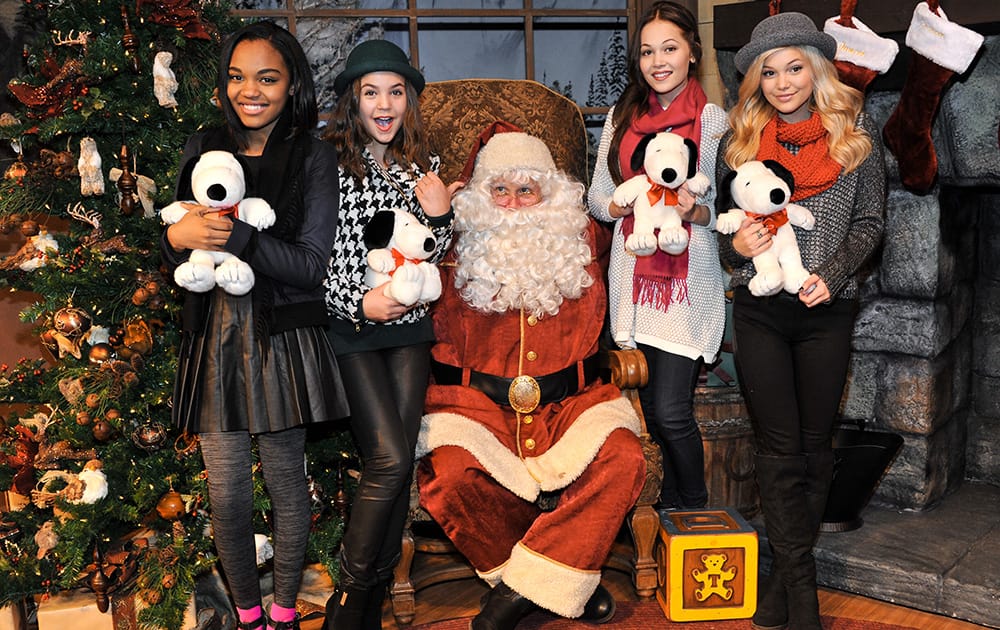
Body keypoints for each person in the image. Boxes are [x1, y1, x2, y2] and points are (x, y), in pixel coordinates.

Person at [415, 127, 648, 630]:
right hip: (472, 408)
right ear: (479, 195)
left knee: (624, 458)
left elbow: (646, 223)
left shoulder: (583, 238)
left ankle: (515, 594)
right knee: (448, 476)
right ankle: (565, 581)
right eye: (500, 189)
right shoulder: (447, 242)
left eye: (528, 189)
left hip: (572, 404)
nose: (515, 203)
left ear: (553, 195)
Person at [161, 22, 348, 630]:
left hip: (282, 339)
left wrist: (239, 234)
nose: (251, 91)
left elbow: (311, 265)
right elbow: (179, 241)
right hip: (212, 337)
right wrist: (173, 239)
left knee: (287, 480)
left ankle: (286, 611)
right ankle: (248, 615)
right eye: (238, 77)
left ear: (291, 84)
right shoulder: (204, 143)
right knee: (228, 492)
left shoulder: (313, 155)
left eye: (268, 78)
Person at [718, 12, 885, 630]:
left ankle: (780, 584)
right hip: (760, 311)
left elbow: (871, 226)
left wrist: (833, 275)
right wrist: (737, 248)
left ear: (816, 71)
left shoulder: (859, 141)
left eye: (795, 67)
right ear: (756, 78)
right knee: (779, 450)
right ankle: (802, 591)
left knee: (816, 452)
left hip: (826, 312)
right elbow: (718, 241)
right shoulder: (737, 146)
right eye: (770, 70)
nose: (783, 82)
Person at [321, 39, 458, 630]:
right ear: (354, 101)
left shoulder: (418, 165)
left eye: (396, 92)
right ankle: (349, 601)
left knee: (399, 465)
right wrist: (357, 302)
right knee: (388, 456)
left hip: (409, 330)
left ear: (409, 101)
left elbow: (430, 252)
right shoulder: (324, 162)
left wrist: (439, 216)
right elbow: (311, 257)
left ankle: (369, 600)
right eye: (371, 92)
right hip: (352, 327)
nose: (385, 103)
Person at [588, 1, 726, 515]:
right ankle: (667, 520)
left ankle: (695, 510)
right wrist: (618, 202)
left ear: (693, 52)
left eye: (669, 48)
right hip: (632, 277)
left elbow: (727, 207)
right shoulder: (621, 119)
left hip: (688, 287)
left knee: (670, 413)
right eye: (647, 51)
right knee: (649, 412)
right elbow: (598, 196)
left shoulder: (713, 122)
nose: (658, 60)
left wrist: (697, 211)